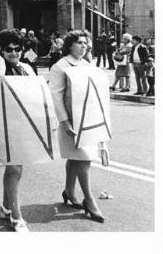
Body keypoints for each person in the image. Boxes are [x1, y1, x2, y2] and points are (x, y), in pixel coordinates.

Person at [0, 10, 34, 232]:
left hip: (21, 124)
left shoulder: (27, 68)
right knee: (15, 168)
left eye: (17, 48)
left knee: (13, 169)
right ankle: (16, 216)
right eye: (8, 48)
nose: (13, 52)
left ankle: (5, 206)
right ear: (2, 49)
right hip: (3, 124)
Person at [49, 30, 106, 224]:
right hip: (71, 122)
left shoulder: (87, 65)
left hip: (87, 121)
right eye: (80, 42)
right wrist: (64, 122)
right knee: (84, 159)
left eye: (86, 43)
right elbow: (56, 96)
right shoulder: (60, 66)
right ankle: (89, 200)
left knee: (77, 158)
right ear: (69, 45)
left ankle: (69, 191)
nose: (84, 46)